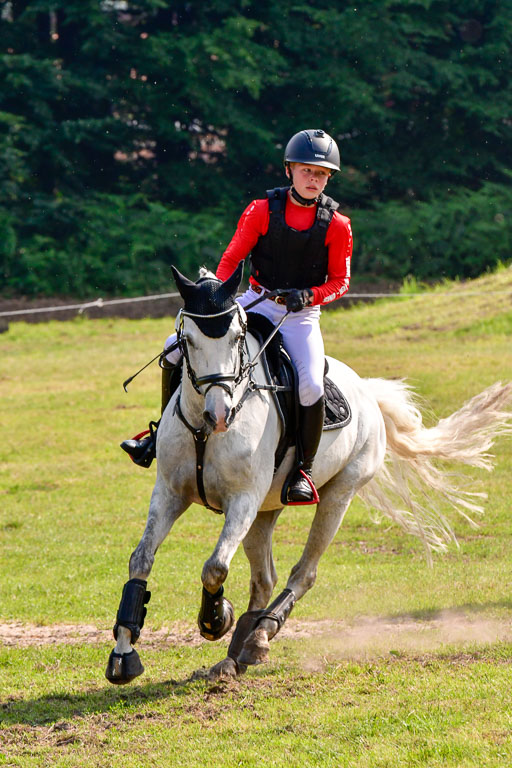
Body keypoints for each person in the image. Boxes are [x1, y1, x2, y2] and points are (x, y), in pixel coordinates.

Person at [121, 129, 352, 504]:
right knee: (172, 349)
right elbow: (231, 260)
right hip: (254, 300)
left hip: (301, 316)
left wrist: (310, 295)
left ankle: (303, 471)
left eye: (321, 174)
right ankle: (158, 437)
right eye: (306, 170)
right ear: (290, 170)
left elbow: (341, 282)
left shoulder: (338, 225)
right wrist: (217, 296)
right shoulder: (260, 210)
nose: (313, 179)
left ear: (328, 179)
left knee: (310, 383)